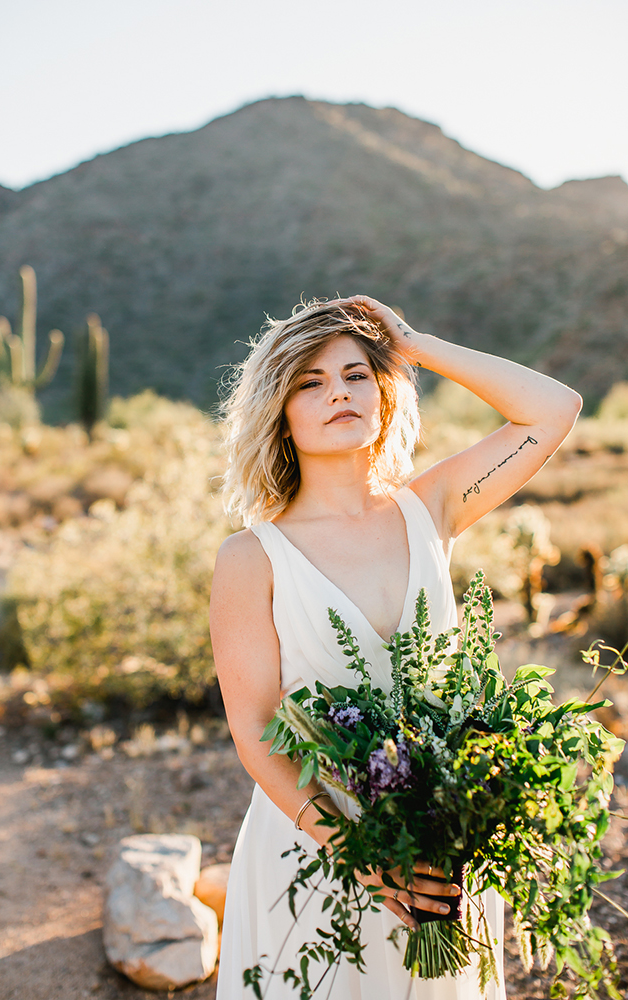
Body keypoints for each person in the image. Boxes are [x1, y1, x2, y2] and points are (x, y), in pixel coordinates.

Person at [209, 296, 582, 999]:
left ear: (383, 394)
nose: (339, 392)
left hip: (439, 839)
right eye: (310, 382)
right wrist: (367, 862)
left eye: (356, 374)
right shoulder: (250, 558)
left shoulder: (431, 506)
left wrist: (410, 341)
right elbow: (257, 735)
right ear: (280, 413)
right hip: (317, 848)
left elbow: (553, 408)